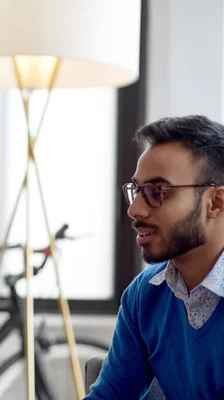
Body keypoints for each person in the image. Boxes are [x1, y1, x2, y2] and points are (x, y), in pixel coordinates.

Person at [85, 115, 224, 399]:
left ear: (216, 203)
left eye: (157, 192)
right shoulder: (144, 294)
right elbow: (111, 395)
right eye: (137, 191)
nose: (134, 210)